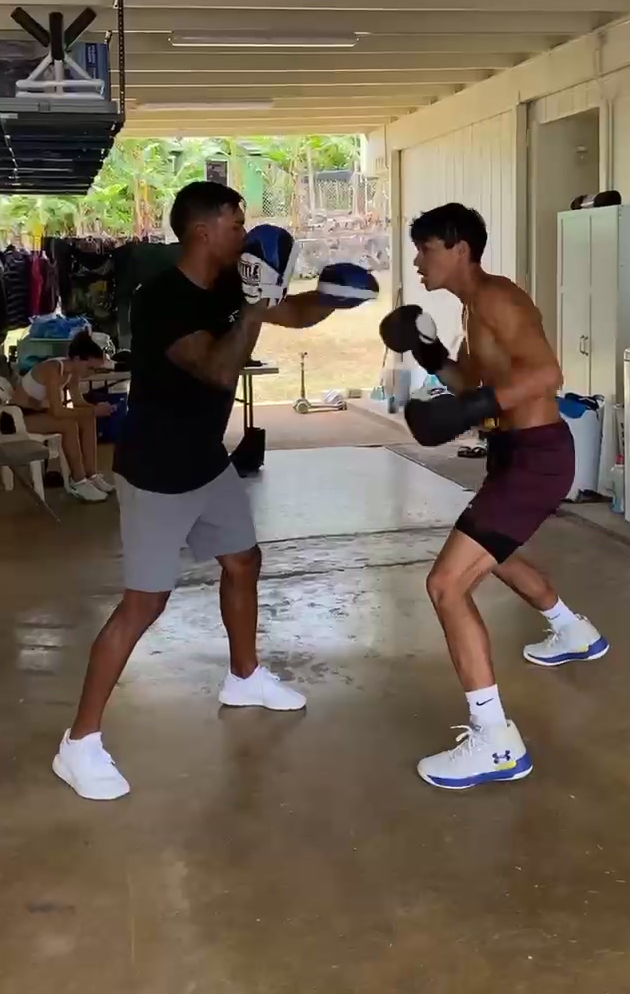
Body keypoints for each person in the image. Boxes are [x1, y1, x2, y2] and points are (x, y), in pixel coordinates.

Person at [53, 181, 376, 801]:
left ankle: (244, 676)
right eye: (236, 223)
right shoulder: (161, 300)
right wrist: (253, 308)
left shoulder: (231, 282)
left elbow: (288, 311)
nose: (244, 233)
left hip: (205, 459)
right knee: (144, 604)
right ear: (204, 231)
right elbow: (218, 369)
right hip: (157, 471)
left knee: (243, 561)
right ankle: (79, 743)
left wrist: (331, 299)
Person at [380, 203, 608, 792]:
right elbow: (475, 383)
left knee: (446, 585)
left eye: (426, 249)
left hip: (536, 458)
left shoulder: (498, 299)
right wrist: (432, 357)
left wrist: (473, 409)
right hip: (515, 454)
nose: (418, 261)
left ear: (459, 248)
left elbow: (547, 374)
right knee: (493, 554)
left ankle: (496, 741)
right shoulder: (471, 309)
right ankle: (571, 630)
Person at [8, 330, 115, 503]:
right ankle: (78, 481)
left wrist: (96, 408)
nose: (92, 373)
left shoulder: (73, 372)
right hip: (16, 417)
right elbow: (57, 411)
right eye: (90, 368)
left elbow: (78, 401)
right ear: (78, 359)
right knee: (67, 425)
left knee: (88, 418)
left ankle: (91, 475)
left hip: (38, 413)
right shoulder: (53, 369)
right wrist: (93, 410)